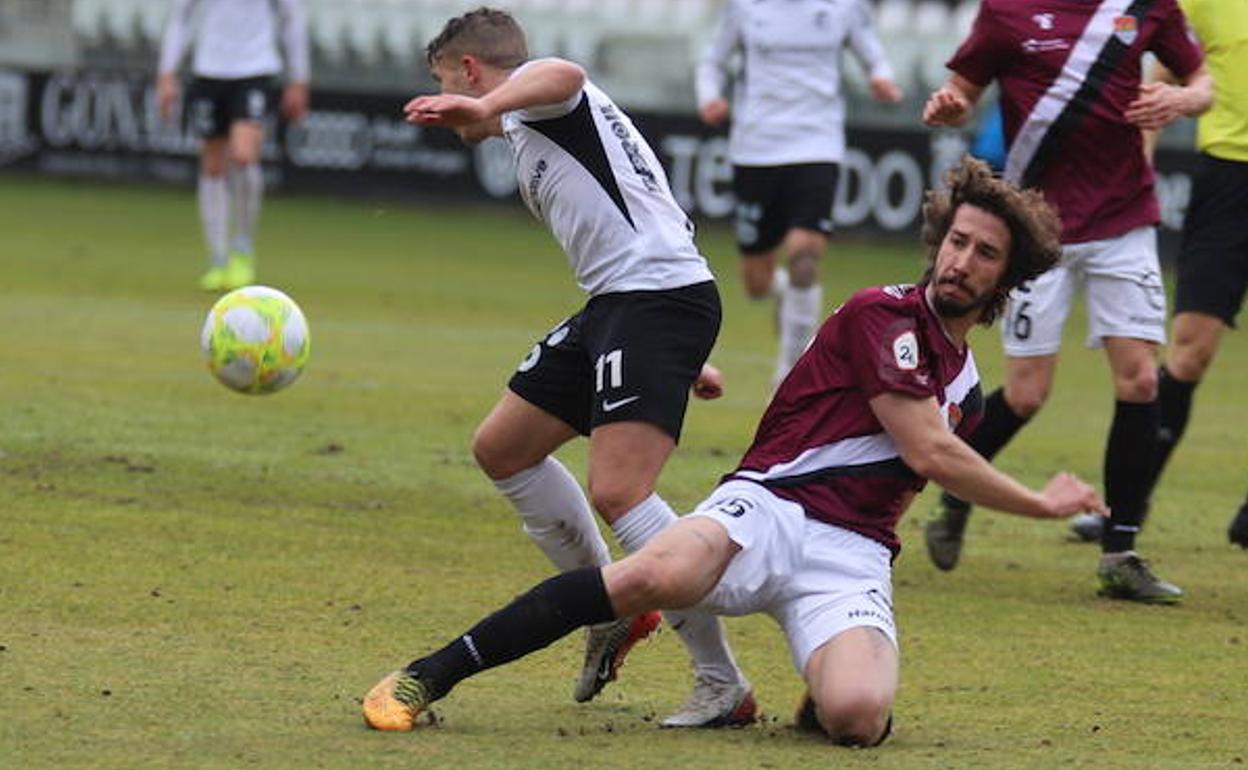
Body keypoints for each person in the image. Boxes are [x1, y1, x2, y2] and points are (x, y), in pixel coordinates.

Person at [361, 156, 1105, 745]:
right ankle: (428, 675)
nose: (961, 261)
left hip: (852, 556)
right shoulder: (884, 315)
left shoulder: (971, 390)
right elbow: (932, 455)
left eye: (984, 253)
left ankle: (829, 688)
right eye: (956, 241)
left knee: (858, 717)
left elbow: (908, 470)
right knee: (655, 571)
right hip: (766, 509)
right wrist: (1040, 503)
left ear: (1006, 277)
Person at [400, 9, 754, 728]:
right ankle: (613, 607)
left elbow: (565, 73)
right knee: (502, 449)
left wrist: (486, 104)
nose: (448, 109)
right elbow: (652, 212)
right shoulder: (533, 127)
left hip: (650, 302)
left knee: (621, 490)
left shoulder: (549, 97)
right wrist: (686, 354)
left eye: (445, 84)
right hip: (628, 305)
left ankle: (723, 684)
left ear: (470, 71)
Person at [921, 0, 1212, 603]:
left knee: (1140, 382)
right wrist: (950, 105)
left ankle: (1120, 552)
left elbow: (1201, 79)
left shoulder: (1145, 7)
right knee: (1027, 393)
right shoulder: (1007, 11)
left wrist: (1183, 101)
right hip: (1038, 230)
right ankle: (956, 492)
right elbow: (961, 90)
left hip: (1125, 222)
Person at [1070, 0, 1248, 549]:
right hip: (1228, 180)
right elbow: (1171, 62)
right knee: (1189, 351)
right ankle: (1126, 509)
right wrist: (1141, 147)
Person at [695, 0, 902, 388]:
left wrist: (881, 76)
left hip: (816, 144)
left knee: (805, 253)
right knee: (756, 284)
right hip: (755, 148)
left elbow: (871, 52)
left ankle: (790, 370)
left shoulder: (843, 7)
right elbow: (712, 61)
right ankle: (784, 290)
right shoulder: (745, 8)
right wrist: (709, 96)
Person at [157, 0, 310, 292]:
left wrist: (298, 79)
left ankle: (242, 247)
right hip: (209, 70)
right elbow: (180, 17)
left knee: (243, 155)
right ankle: (217, 257)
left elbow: (292, 18)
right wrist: (167, 73)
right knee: (212, 165)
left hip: (255, 68)